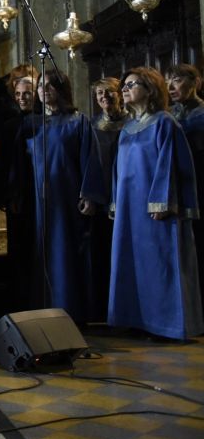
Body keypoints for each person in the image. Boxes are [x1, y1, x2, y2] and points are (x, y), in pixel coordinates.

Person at [110, 66, 201, 340]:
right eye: (124, 85)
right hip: (130, 208)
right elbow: (118, 169)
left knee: (160, 263)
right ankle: (135, 318)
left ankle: (164, 323)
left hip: (155, 209)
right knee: (132, 261)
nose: (125, 89)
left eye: (132, 84)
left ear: (150, 90)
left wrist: (161, 202)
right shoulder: (127, 128)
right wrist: (116, 202)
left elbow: (170, 165)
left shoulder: (164, 123)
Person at [14, 69, 105, 322]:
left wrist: (89, 195)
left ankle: (70, 309)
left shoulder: (78, 121)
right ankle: (42, 307)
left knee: (66, 252)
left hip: (67, 199)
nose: (43, 90)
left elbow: (90, 159)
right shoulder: (30, 125)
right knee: (40, 252)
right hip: (37, 202)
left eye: (50, 85)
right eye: (40, 86)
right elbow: (19, 166)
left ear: (62, 89)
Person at [0, 73, 39, 311]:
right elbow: (0, 164)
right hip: (16, 196)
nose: (22, 98)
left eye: (27, 93)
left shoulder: (45, 122)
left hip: (38, 194)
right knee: (18, 247)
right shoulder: (9, 126)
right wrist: (2, 194)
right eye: (18, 94)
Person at [90, 77, 129, 320]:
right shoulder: (92, 125)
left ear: (120, 94)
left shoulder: (132, 123)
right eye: (99, 94)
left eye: (109, 92)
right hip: (101, 195)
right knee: (102, 253)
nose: (104, 97)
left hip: (126, 195)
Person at [166, 64, 204, 312]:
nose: (170, 87)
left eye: (177, 80)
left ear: (196, 83)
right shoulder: (168, 115)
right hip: (176, 192)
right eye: (167, 81)